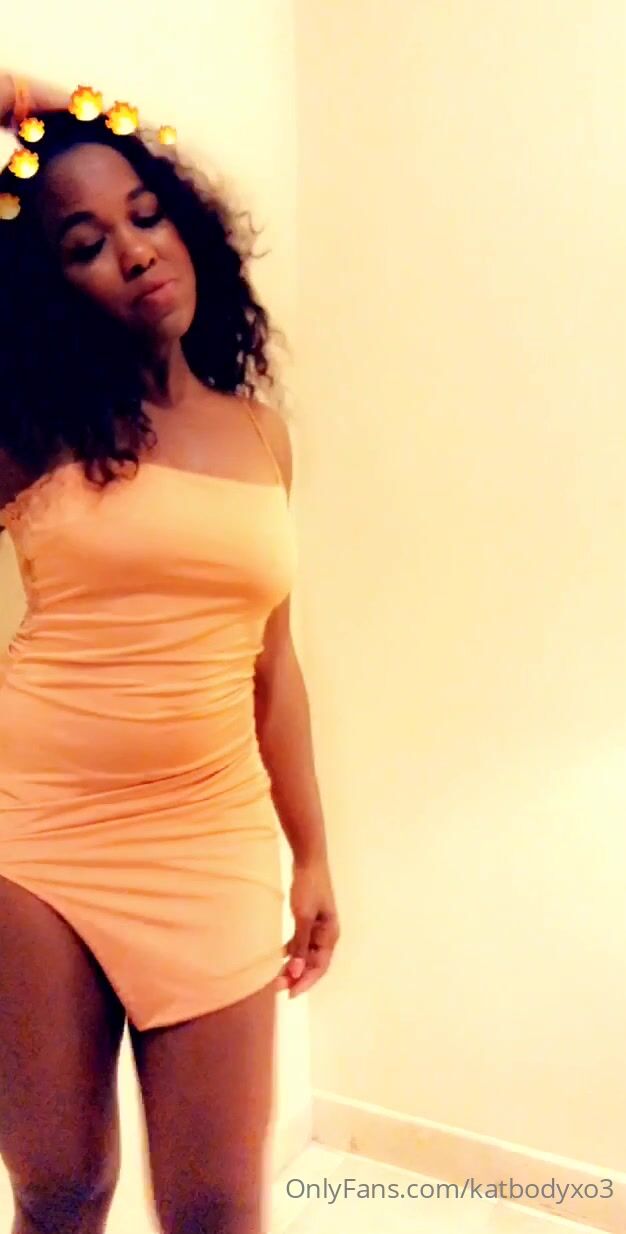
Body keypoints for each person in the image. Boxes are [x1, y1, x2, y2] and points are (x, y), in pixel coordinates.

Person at [0, 70, 340, 1234]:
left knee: (214, 1209)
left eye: (147, 214)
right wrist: (29, 103)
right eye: (85, 243)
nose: (134, 250)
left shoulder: (261, 435)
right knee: (60, 1187)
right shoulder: (31, 431)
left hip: (208, 837)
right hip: (36, 836)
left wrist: (312, 853)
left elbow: (273, 667)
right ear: (47, 287)